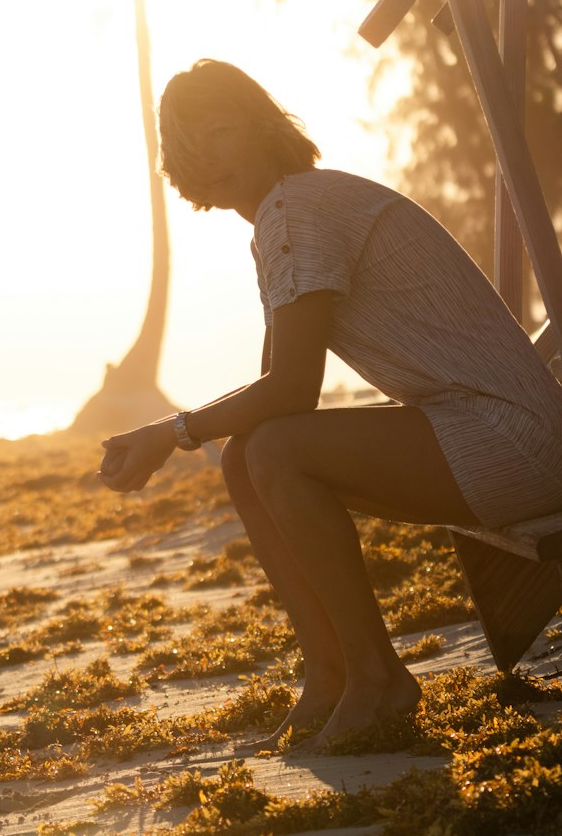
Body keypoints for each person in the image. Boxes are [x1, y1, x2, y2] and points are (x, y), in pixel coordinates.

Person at [99, 59, 562, 750]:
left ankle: (378, 680)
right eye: (195, 145)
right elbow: (269, 400)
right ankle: (332, 671)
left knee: (278, 452)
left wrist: (176, 432)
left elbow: (292, 390)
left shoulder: (297, 211)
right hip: (492, 432)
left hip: (519, 439)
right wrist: (197, 433)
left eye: (224, 131)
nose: (214, 156)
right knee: (249, 456)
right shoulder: (284, 218)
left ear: (261, 127)